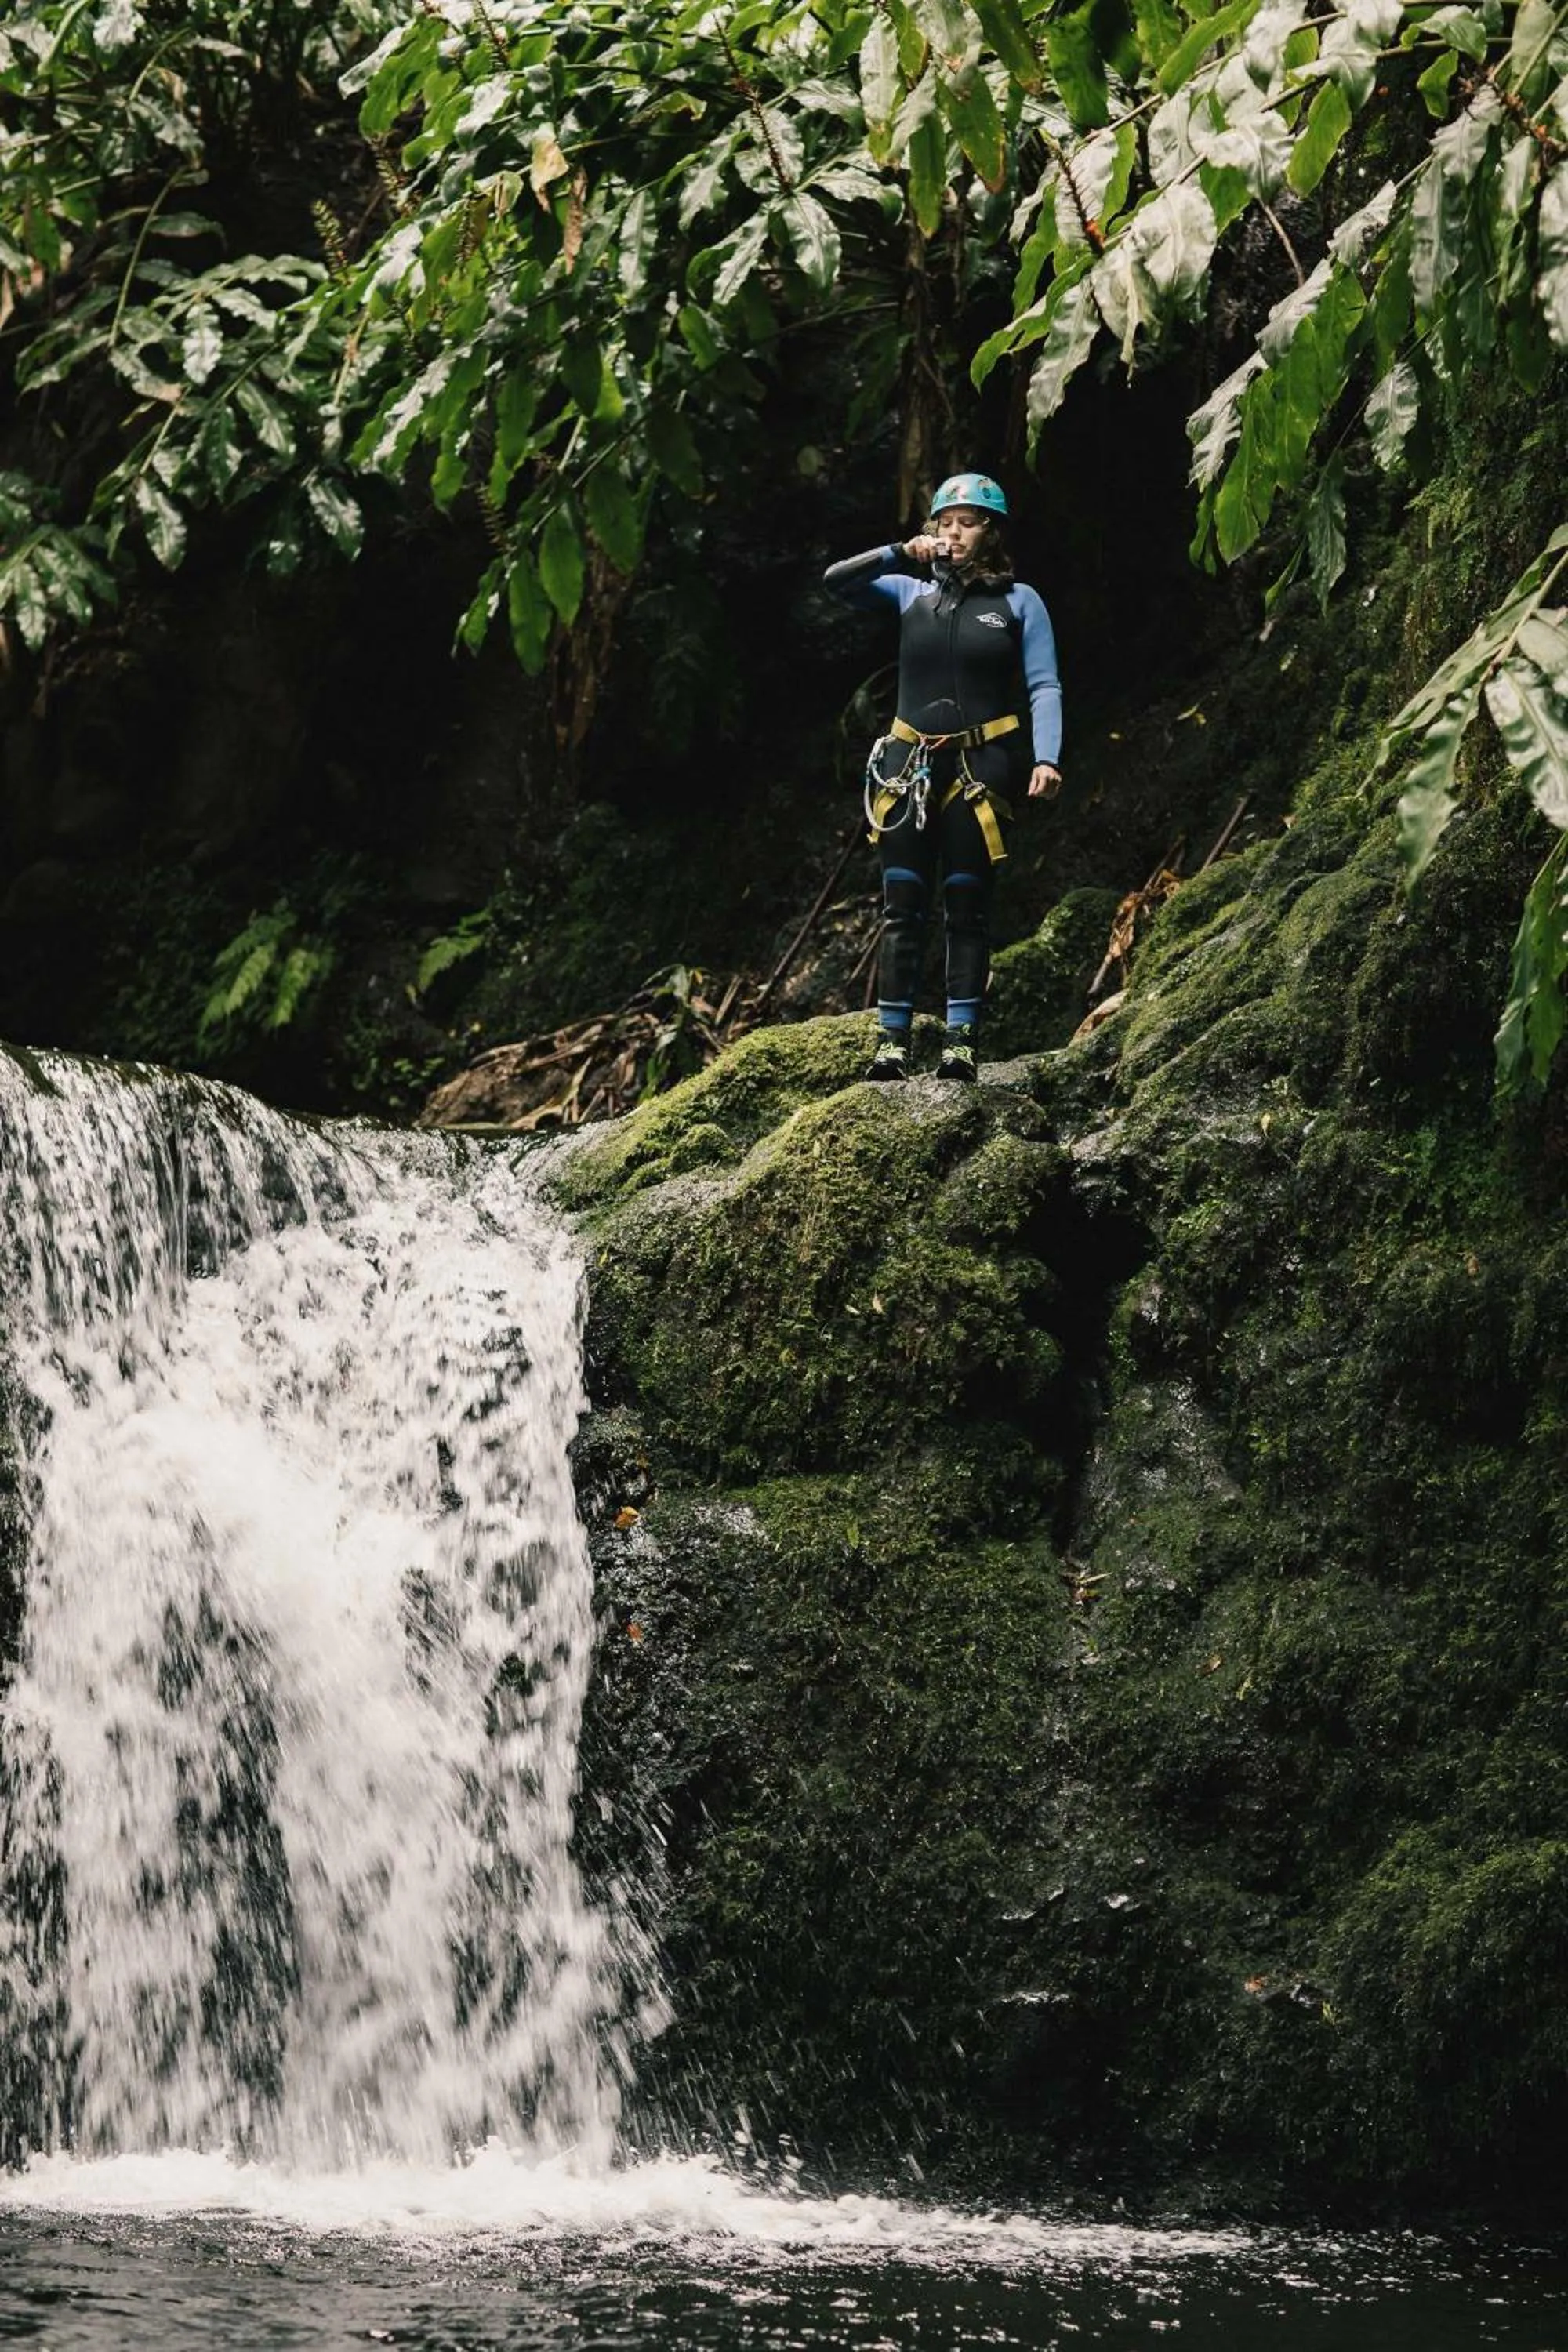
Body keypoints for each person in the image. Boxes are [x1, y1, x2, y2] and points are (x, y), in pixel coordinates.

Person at [823, 473, 1062, 1082]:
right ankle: (891, 1043)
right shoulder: (907, 591)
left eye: (969, 522)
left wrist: (1047, 757)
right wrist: (898, 552)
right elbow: (835, 583)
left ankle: (961, 1041)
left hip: (981, 767)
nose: (954, 532)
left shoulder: (1019, 602)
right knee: (902, 907)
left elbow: (1044, 685)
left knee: (967, 906)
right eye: (945, 522)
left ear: (991, 533)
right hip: (907, 768)